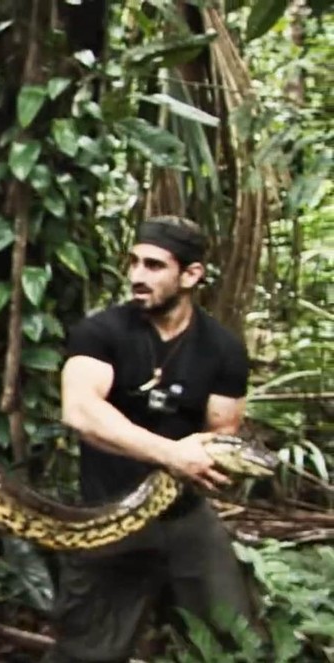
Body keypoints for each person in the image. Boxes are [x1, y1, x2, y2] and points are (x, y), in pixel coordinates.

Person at [43, 216, 259, 662]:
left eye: (154, 265)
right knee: (86, 652)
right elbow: (80, 410)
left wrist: (208, 465)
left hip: (184, 515)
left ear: (191, 275)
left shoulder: (223, 349)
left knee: (235, 641)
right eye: (135, 262)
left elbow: (223, 433)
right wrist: (172, 454)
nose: (137, 276)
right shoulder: (101, 332)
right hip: (107, 513)